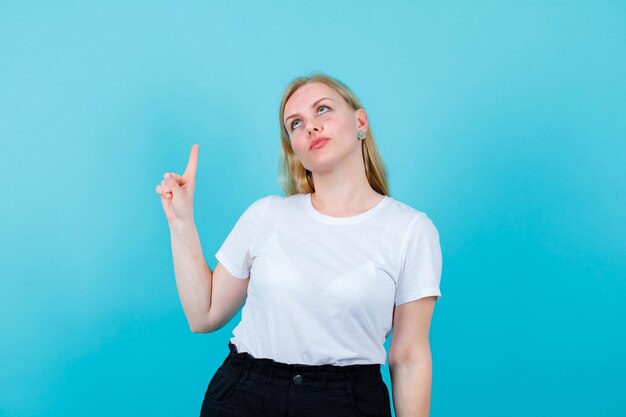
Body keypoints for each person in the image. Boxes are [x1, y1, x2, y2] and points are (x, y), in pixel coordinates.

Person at [155, 72, 443, 417]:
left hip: (347, 402)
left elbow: (409, 357)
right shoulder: (266, 214)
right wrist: (181, 221)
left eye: (323, 110)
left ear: (360, 121)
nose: (310, 127)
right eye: (295, 123)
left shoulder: (410, 229)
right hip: (246, 396)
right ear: (294, 148)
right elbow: (203, 315)